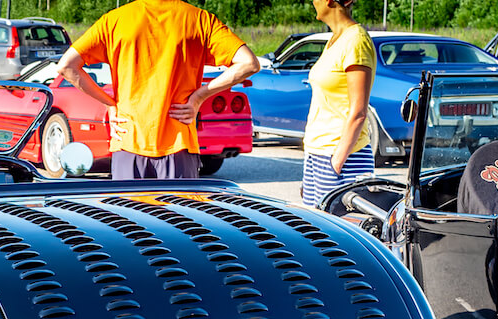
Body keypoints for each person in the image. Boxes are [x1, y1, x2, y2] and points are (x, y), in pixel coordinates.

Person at [58, 0, 259, 180]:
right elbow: (249, 63)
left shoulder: (115, 20)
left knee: (129, 220)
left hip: (128, 140)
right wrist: (199, 97)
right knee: (179, 220)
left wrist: (109, 104)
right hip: (179, 143)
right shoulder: (198, 19)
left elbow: (67, 66)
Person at [301, 0, 377, 208]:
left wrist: (336, 163)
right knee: (315, 234)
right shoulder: (335, 40)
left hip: (342, 158)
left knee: (336, 236)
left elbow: (359, 112)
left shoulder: (356, 40)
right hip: (318, 154)